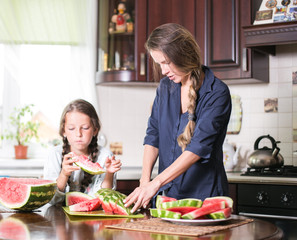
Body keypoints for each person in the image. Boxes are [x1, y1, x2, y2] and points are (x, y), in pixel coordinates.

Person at [124, 23, 232, 213]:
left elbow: (197, 149)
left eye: (166, 62)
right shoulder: (165, 88)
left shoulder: (217, 93)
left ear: (183, 55)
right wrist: (144, 182)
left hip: (204, 200)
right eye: (159, 64)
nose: (163, 70)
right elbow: (153, 135)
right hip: (168, 198)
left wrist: (155, 183)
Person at [43, 99, 122, 205]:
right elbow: (51, 200)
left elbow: (103, 199)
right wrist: (64, 174)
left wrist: (109, 174)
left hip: (93, 217)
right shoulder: (54, 154)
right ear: (63, 131)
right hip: (57, 217)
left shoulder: (105, 156)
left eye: (85, 128)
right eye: (71, 128)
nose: (78, 134)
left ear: (95, 130)